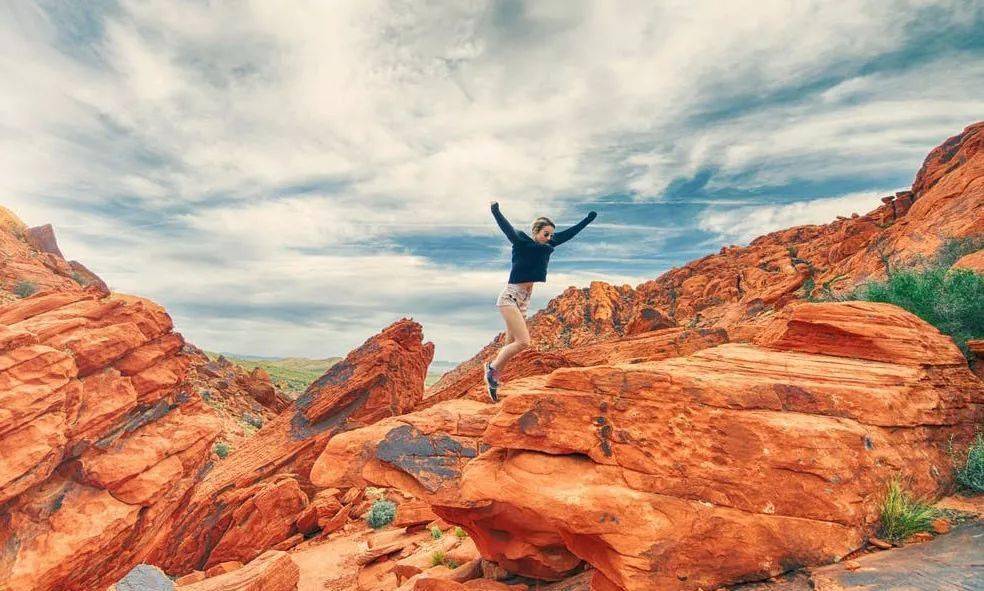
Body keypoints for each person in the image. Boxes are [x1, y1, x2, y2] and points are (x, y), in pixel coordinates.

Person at [483, 200, 597, 401]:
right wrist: (496, 211)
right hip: (510, 296)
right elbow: (507, 229)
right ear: (535, 232)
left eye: (551, 235)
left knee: (510, 342)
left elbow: (569, 234)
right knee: (523, 342)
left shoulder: (549, 243)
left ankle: (494, 374)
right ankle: (492, 371)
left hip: (524, 300)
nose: (549, 238)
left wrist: (586, 221)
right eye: (546, 234)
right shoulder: (521, 241)